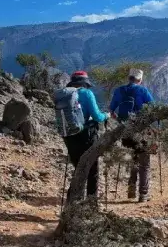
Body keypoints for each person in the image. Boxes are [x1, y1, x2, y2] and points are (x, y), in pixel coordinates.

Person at [58, 71, 109, 199]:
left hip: (68, 135)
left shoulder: (64, 94)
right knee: (92, 168)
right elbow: (97, 116)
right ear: (85, 83)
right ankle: (91, 203)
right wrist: (106, 115)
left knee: (78, 168)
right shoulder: (86, 93)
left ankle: (72, 202)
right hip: (86, 136)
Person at [109, 68, 155, 202]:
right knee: (144, 163)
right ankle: (143, 194)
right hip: (141, 130)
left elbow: (111, 110)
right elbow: (153, 108)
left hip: (126, 130)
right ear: (140, 80)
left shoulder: (119, 90)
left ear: (129, 78)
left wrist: (119, 120)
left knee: (133, 159)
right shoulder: (142, 90)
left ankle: (131, 189)